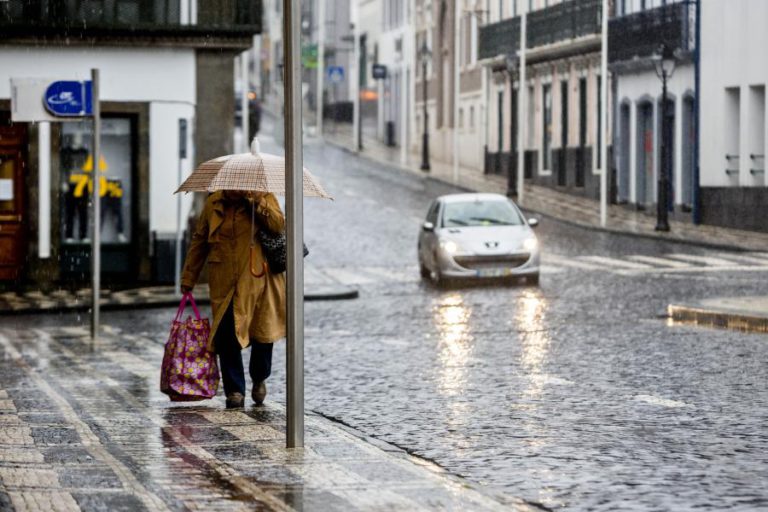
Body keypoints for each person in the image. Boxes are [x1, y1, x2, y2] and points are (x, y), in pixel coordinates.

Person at [180, 190, 286, 408]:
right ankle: (235, 390)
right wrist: (188, 277)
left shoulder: (263, 197)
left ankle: (259, 377)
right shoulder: (214, 203)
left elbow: (278, 225)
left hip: (259, 280)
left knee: (262, 335)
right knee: (226, 335)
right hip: (224, 281)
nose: (234, 189)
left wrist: (257, 203)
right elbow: (200, 240)